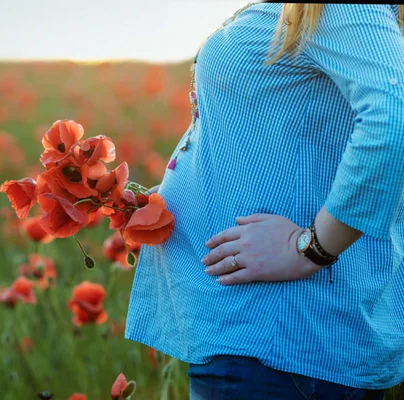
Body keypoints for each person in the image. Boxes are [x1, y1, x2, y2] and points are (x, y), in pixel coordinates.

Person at [124, 3, 404, 399]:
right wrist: (169, 197)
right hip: (259, 341)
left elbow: (394, 117)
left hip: (273, 342)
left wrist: (309, 248)